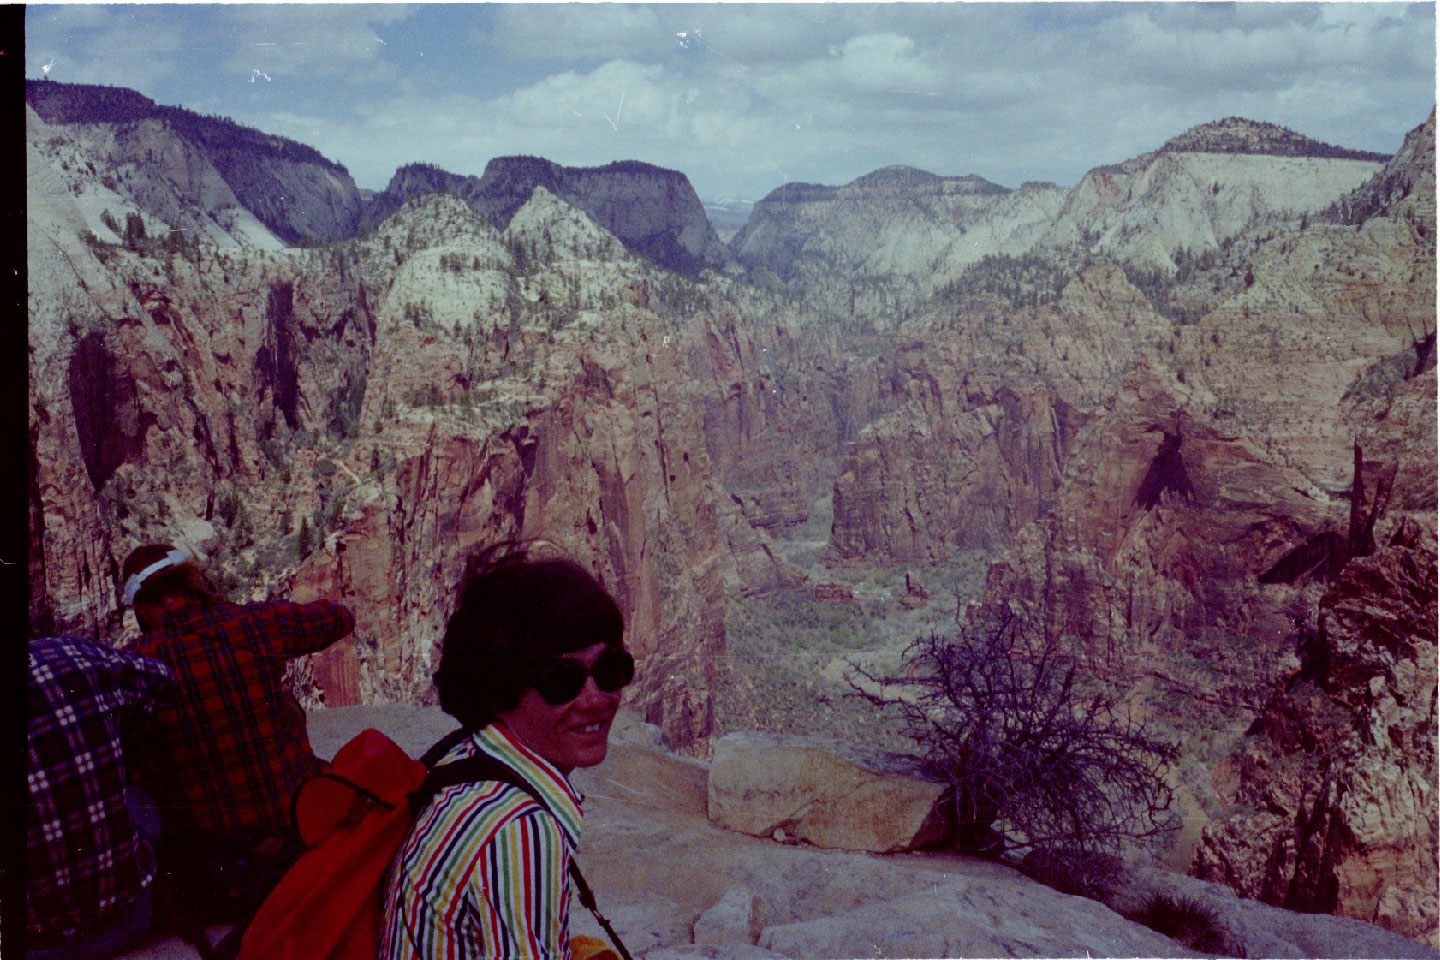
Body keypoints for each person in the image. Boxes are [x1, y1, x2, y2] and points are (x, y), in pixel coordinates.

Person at [381, 547, 635, 960]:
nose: (595, 699)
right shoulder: (520, 828)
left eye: (611, 670)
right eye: (561, 681)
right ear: (501, 691)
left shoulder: (463, 754)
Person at [118, 542, 355, 930]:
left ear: (144, 607)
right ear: (195, 584)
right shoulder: (255, 623)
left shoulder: (136, 662)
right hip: (291, 829)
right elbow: (338, 618)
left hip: (209, 859)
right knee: (284, 704)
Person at [27, 634, 175, 960]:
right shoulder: (71, 652)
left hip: (33, 947)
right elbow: (165, 683)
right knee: (136, 796)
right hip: (125, 923)